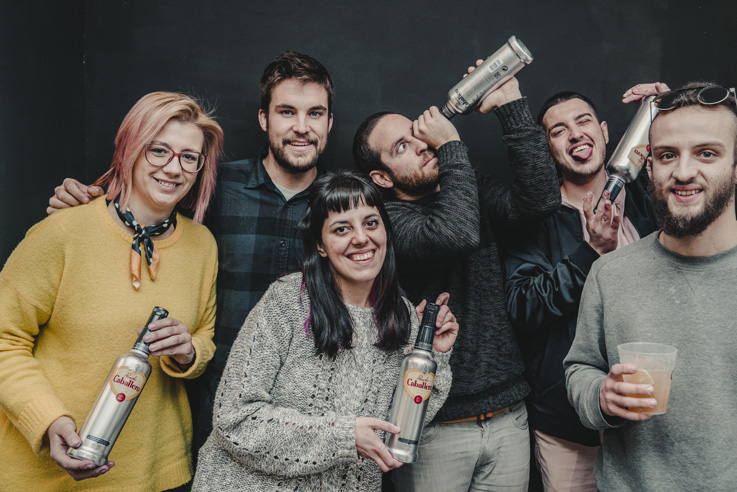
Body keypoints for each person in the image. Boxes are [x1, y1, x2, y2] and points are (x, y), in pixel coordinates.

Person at [45, 51, 334, 456]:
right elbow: (139, 203)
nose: (301, 127)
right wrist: (84, 203)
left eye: (315, 113)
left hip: (310, 406)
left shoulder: (346, 202)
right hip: (213, 401)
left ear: (329, 122)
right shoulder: (211, 184)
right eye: (287, 112)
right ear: (264, 119)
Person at [0, 91, 223, 490]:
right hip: (48, 476)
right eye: (159, 150)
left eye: (189, 157)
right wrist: (47, 419)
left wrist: (188, 351)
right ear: (130, 150)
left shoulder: (202, 245)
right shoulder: (64, 232)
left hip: (155, 473)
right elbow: (4, 339)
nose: (174, 169)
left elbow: (204, 337)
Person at [353, 74, 560, 491]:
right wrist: (450, 146)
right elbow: (456, 233)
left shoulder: (466, 184)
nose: (421, 146)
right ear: (382, 178)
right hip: (433, 426)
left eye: (417, 135)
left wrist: (510, 104)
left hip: (508, 412)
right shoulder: (388, 222)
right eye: (401, 148)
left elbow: (541, 200)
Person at [191, 171, 458, 491]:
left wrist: (434, 355)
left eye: (371, 223)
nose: (361, 238)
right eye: (342, 228)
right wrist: (343, 437)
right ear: (320, 244)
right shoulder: (288, 302)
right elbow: (235, 421)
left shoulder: (402, 316)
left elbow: (397, 432)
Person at [564, 82, 737, 490]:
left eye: (707, 153)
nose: (683, 172)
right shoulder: (610, 274)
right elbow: (579, 369)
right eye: (666, 155)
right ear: (649, 165)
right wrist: (600, 396)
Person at [502, 85, 665, 491]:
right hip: (569, 425)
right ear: (547, 150)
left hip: (651, 412)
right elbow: (522, 306)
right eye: (558, 131)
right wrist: (590, 252)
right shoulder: (533, 218)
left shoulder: (647, 196)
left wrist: (671, 107)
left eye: (583, 121)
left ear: (605, 132)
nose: (575, 133)